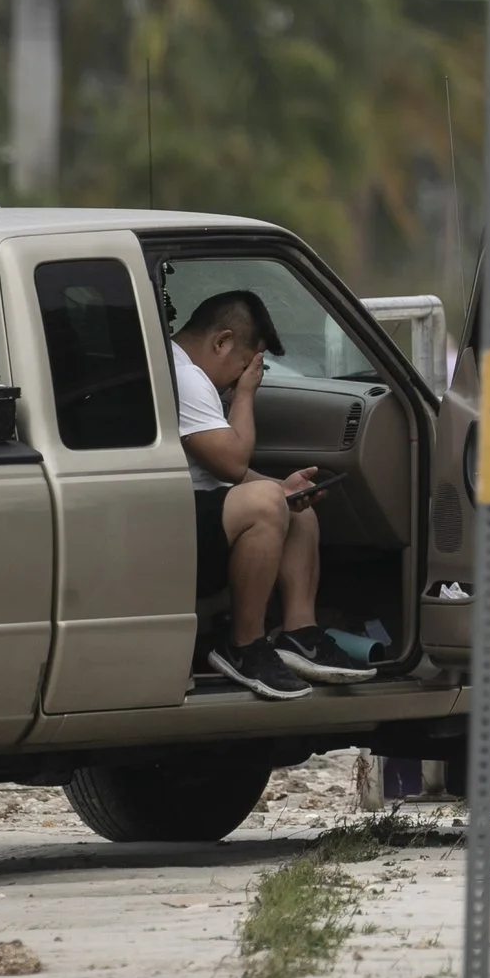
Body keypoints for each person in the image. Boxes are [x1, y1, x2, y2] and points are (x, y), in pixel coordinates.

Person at [172, 289, 375, 700]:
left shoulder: (183, 370)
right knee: (267, 503)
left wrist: (280, 488)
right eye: (245, 367)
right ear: (222, 342)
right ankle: (244, 646)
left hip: (194, 510)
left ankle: (299, 634)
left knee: (292, 507)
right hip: (170, 522)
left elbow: (218, 467)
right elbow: (230, 462)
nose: (240, 381)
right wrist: (246, 396)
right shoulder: (183, 376)